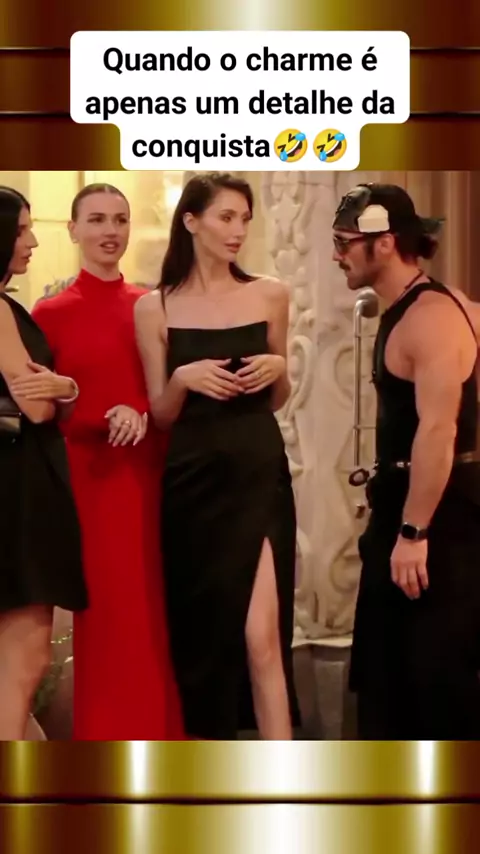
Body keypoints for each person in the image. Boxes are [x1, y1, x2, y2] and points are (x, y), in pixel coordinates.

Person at [14, 183, 184, 740]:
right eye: (96, 220)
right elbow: (38, 406)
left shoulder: (153, 306)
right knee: (107, 618)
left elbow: (168, 394)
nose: (110, 231)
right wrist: (92, 409)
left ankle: (165, 741)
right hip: (87, 483)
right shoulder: (49, 313)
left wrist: (140, 410)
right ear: (73, 230)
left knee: (157, 614)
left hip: (151, 477)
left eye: (120, 219)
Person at [134, 171, 299, 740]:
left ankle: (285, 778)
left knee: (262, 637)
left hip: (257, 472)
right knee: (202, 641)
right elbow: (161, 414)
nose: (238, 231)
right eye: (226, 217)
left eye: (244, 219)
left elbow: (277, 397)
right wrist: (183, 379)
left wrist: (280, 369)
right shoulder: (154, 307)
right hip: (192, 483)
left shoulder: (270, 294)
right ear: (191, 221)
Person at [333, 181, 480, 740]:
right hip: (415, 506)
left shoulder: (432, 317)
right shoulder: (413, 308)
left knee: (429, 686)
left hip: (440, 518)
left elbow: (439, 430)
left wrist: (414, 531)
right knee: (391, 681)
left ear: (386, 242)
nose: (336, 254)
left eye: (344, 242)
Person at [0, 186, 88, 740]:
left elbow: (46, 393)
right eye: (21, 230)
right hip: (18, 488)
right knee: (26, 654)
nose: (32, 241)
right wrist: (64, 387)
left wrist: (64, 388)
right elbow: (34, 403)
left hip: (21, 481)